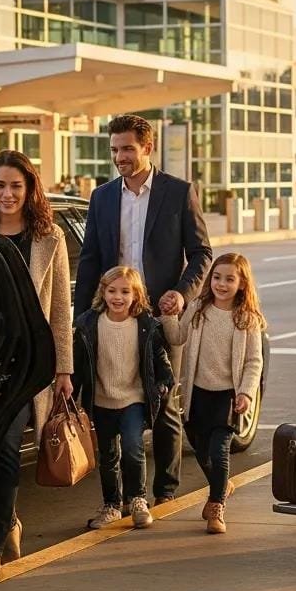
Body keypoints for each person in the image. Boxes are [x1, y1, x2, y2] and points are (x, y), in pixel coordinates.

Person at [74, 113, 213, 504]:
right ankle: (116, 497)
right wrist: (79, 318)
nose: (120, 156)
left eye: (127, 149)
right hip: (110, 315)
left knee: (164, 400)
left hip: (159, 315)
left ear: (147, 147)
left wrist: (183, 293)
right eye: (115, 149)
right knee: (108, 398)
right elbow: (89, 260)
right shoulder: (102, 197)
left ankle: (165, 491)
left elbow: (202, 252)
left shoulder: (178, 192)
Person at [0, 150, 73, 576]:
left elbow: (61, 309)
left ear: (29, 190)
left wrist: (63, 369)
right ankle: (7, 518)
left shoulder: (50, 238)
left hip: (27, 364)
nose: (7, 194)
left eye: (15, 186)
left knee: (8, 446)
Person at [161, 253, 265, 534]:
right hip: (198, 394)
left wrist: (246, 393)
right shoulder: (198, 308)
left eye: (230, 279)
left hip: (227, 396)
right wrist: (169, 317)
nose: (221, 284)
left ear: (242, 284)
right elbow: (177, 337)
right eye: (217, 277)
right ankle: (222, 484)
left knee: (219, 452)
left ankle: (216, 504)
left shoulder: (247, 319)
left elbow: (254, 361)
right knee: (201, 448)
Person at [73, 266, 174, 530]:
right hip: (101, 400)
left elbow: (163, 366)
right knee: (107, 455)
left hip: (134, 399)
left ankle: (138, 499)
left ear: (136, 295)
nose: (118, 297)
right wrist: (70, 394)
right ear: (103, 292)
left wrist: (162, 387)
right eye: (112, 290)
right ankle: (111, 505)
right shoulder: (88, 324)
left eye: (125, 291)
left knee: (132, 447)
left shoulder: (146, 326)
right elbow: (78, 365)